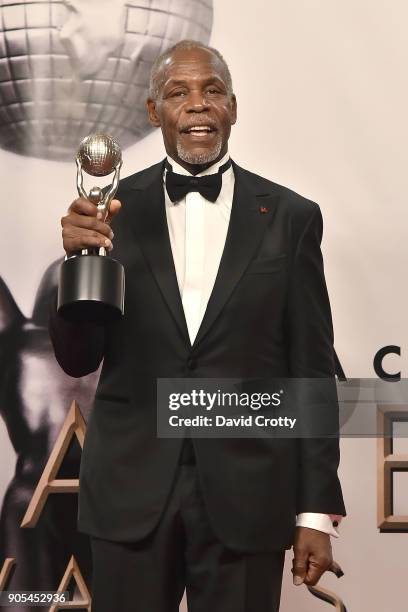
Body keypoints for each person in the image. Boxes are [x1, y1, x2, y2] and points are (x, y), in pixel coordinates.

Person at [49, 40, 346, 612]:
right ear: (152, 110)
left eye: (212, 90)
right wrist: (77, 265)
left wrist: (315, 511)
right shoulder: (111, 210)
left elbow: (310, 372)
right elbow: (78, 359)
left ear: (233, 106)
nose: (198, 104)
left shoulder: (291, 217)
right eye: (178, 92)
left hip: (248, 499)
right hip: (130, 495)